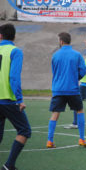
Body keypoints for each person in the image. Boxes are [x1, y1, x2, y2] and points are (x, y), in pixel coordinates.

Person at [47, 32, 86, 148]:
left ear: (61, 41)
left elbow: (54, 71)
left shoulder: (55, 55)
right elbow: (83, 72)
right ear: (69, 41)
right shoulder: (77, 55)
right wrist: (74, 78)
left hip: (58, 89)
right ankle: (81, 139)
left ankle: (49, 140)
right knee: (80, 111)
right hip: (72, 89)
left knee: (55, 114)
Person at [0, 23, 31, 170]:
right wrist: (19, 99)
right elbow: (14, 77)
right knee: (24, 130)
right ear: (14, 36)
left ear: (0, 36)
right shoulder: (15, 51)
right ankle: (9, 165)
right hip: (8, 99)